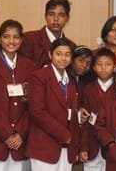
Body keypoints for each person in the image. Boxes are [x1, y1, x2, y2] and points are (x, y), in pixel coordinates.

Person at [0, 19, 38, 171]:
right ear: (0, 39)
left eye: (16, 37)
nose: (11, 41)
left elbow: (34, 105)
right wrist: (7, 134)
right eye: (6, 36)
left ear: (21, 40)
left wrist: (20, 132)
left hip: (22, 142)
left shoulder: (30, 66)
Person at [26, 38, 87, 170]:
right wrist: (64, 134)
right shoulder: (39, 77)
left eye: (67, 55)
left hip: (67, 148)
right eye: (58, 54)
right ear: (50, 54)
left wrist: (75, 144)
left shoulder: (71, 81)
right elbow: (37, 112)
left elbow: (71, 111)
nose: (63, 58)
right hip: (45, 146)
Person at [80, 50, 116, 171]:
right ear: (94, 68)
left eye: (108, 64)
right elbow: (84, 121)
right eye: (99, 64)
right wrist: (83, 147)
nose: (103, 68)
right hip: (92, 144)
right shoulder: (87, 89)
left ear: (115, 67)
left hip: (114, 144)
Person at [18, 0, 78, 67]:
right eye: (51, 14)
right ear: (45, 16)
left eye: (61, 15)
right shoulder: (29, 39)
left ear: (67, 18)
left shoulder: (72, 46)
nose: (56, 19)